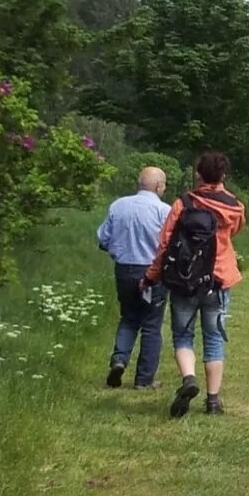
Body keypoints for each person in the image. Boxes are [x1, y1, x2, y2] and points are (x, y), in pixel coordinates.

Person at [143, 151, 247, 419]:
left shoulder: (183, 203)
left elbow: (165, 244)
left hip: (184, 279)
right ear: (223, 175)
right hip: (219, 279)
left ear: (198, 174)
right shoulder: (234, 206)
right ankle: (213, 401)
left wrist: (152, 276)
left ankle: (189, 378)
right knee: (214, 339)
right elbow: (235, 231)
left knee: (182, 335)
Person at [96, 165, 171, 389]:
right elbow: (169, 244)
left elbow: (102, 238)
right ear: (159, 186)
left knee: (128, 318)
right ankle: (144, 379)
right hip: (151, 271)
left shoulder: (118, 205)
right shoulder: (163, 210)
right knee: (151, 323)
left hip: (124, 269)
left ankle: (119, 360)